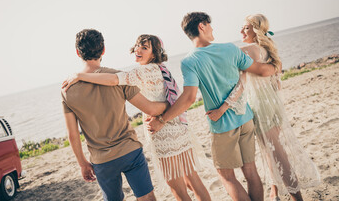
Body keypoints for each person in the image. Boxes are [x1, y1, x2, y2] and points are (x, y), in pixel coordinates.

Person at [62, 34, 212, 201]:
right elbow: (161, 102)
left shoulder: (140, 72)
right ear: (103, 49)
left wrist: (80, 76)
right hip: (175, 130)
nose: (138, 49)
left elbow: (113, 80)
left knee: (177, 187)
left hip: (162, 135)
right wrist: (169, 105)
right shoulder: (160, 68)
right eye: (138, 46)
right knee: (192, 181)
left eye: (145, 47)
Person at [147, 12, 277, 201]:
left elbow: (189, 98)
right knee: (251, 172)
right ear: (201, 26)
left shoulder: (190, 61)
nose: (212, 28)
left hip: (223, 126)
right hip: (245, 119)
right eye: (210, 25)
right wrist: (276, 64)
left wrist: (162, 120)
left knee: (227, 177)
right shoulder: (231, 49)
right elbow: (260, 70)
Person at [209, 14, 320, 201]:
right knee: (271, 150)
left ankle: (297, 198)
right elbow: (277, 83)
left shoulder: (249, 49)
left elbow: (236, 73)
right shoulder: (267, 49)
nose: (241, 31)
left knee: (277, 153)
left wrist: (222, 107)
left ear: (256, 30)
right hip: (273, 104)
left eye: (246, 28)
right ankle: (275, 191)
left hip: (261, 107)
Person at [61, 29, 169, 201]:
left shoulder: (67, 90)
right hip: (130, 151)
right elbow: (150, 109)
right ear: (103, 49)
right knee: (147, 197)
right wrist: (171, 103)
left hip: (102, 160)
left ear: (77, 52)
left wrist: (82, 163)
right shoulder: (119, 77)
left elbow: (73, 135)